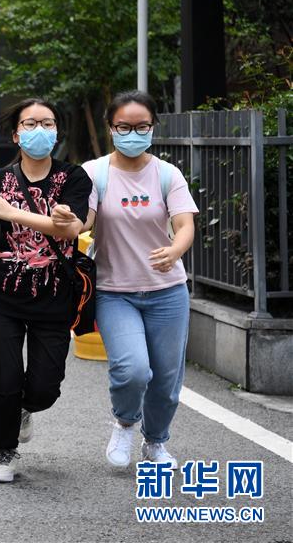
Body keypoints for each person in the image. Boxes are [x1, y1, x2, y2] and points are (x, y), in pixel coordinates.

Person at [0, 98, 92, 483]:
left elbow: (70, 230)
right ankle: (4, 448)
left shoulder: (74, 178)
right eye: (30, 123)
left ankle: (25, 408)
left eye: (47, 123)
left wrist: (14, 214)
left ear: (56, 132)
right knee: (5, 377)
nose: (39, 130)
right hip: (4, 295)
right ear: (16, 134)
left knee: (45, 388)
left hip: (55, 294)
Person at [81, 90, 197, 470]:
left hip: (167, 292)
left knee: (166, 379)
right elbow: (84, 221)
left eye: (142, 126)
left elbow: (184, 225)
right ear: (110, 128)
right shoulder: (94, 173)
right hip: (115, 292)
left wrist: (175, 250)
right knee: (132, 369)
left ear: (153, 127)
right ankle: (125, 423)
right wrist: (68, 219)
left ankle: (155, 442)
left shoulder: (167, 174)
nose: (133, 133)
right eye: (124, 127)